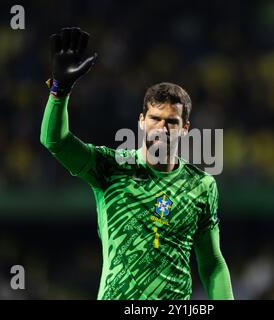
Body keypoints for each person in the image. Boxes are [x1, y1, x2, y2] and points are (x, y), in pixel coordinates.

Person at [40, 27, 234, 300]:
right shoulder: (111, 167)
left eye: (172, 122)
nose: (162, 128)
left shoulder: (201, 185)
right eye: (155, 118)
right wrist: (60, 91)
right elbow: (55, 141)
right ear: (141, 121)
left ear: (185, 128)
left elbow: (212, 264)